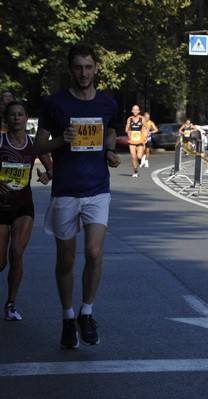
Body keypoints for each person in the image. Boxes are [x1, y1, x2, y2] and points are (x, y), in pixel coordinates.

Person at [33, 42, 121, 349]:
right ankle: (68, 318)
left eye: (88, 67)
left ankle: (87, 312)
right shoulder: (55, 104)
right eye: (78, 67)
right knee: (66, 259)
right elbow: (38, 146)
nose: (83, 73)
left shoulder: (108, 103)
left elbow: (110, 129)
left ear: (96, 68)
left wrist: (110, 150)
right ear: (70, 70)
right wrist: (61, 139)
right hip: (66, 191)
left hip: (98, 189)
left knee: (95, 253)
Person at [0, 101, 52, 321]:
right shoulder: (0, 141)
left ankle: (11, 304)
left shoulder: (33, 145)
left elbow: (51, 168)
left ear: (26, 117)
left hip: (23, 207)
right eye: (12, 115)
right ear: (7, 118)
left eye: (20, 115)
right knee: (1, 263)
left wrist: (47, 175)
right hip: (0, 208)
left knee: (17, 253)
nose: (17, 118)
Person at [125, 105, 147, 177]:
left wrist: (145, 137)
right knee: (133, 156)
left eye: (136, 110)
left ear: (139, 111)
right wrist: (128, 131)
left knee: (139, 156)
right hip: (131, 141)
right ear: (132, 111)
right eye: (134, 110)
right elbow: (126, 128)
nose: (135, 111)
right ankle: (135, 172)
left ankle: (140, 160)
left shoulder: (142, 119)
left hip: (140, 141)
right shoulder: (129, 119)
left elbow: (146, 128)